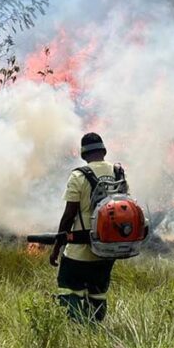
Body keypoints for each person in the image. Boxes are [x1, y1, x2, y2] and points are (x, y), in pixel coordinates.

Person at [49, 132, 123, 322]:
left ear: (83, 154)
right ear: (104, 151)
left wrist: (57, 247)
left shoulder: (78, 176)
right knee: (98, 292)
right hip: (107, 250)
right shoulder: (118, 173)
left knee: (69, 288)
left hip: (80, 251)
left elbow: (68, 216)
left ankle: (77, 330)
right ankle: (95, 328)